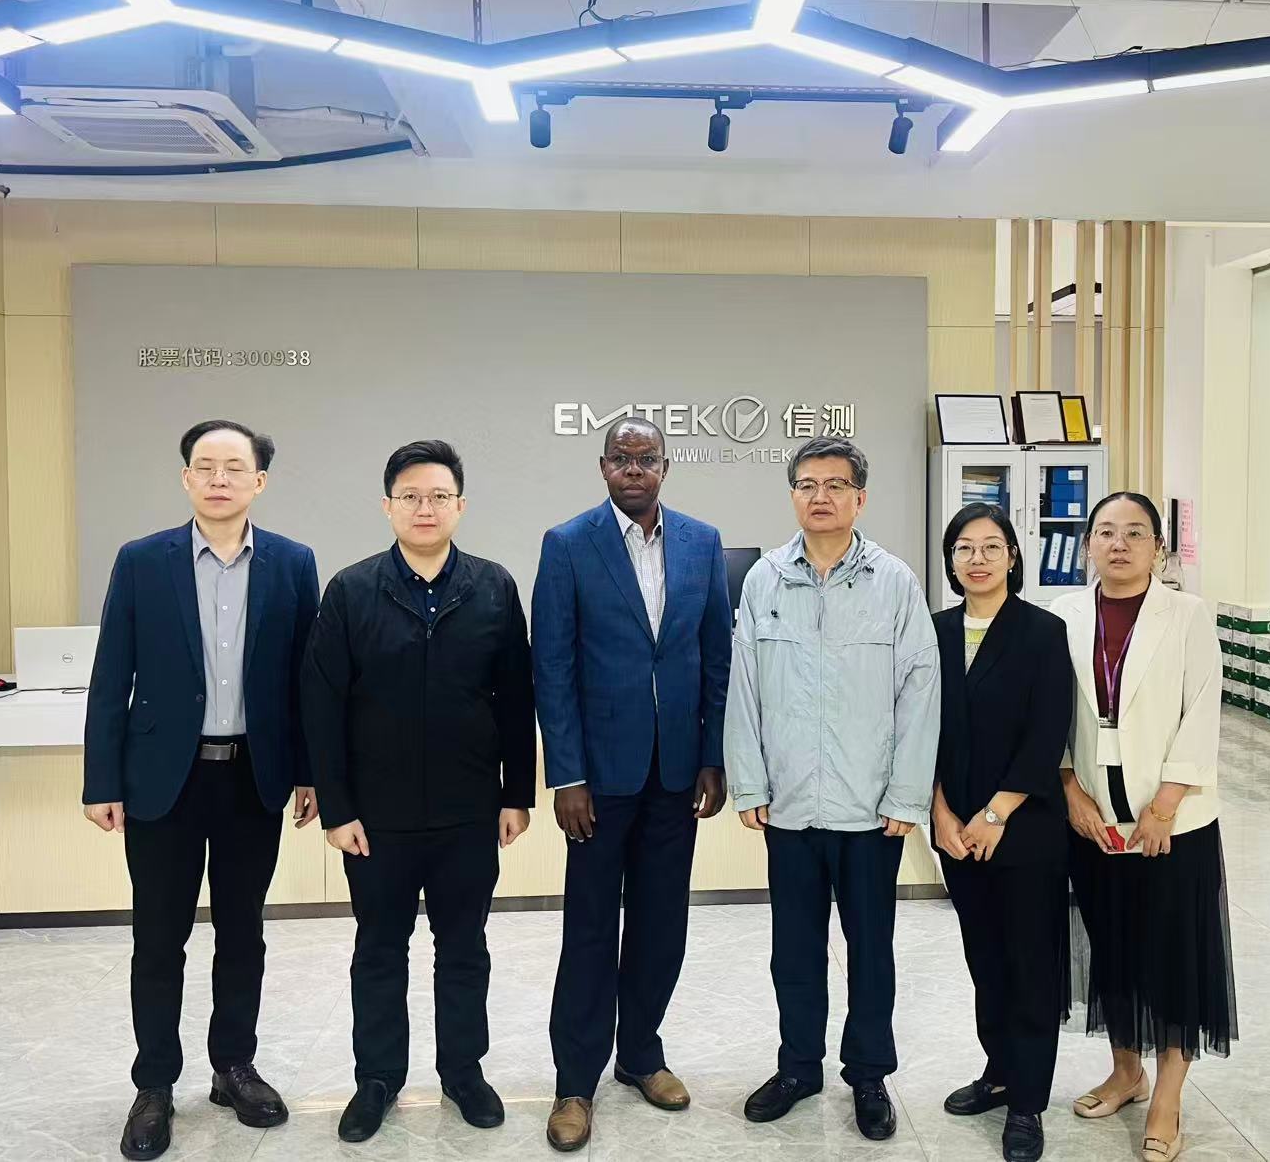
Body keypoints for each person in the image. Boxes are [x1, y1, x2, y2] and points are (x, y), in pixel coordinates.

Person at [82, 419, 321, 1162]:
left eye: (234, 467)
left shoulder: (293, 563)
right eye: (205, 466)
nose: (219, 479)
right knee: (159, 937)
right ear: (186, 478)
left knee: (242, 931)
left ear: (259, 481)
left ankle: (233, 1067)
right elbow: (111, 674)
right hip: (164, 779)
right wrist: (101, 779)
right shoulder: (141, 561)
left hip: (254, 775)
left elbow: (305, 678)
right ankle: (154, 1083)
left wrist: (309, 770)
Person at [301, 440, 535, 1144]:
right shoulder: (351, 590)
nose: (424, 508)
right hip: (377, 817)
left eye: (438, 496)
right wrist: (337, 807)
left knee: (464, 948)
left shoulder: (493, 586)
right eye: (410, 496)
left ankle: (464, 1072)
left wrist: (516, 794)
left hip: (468, 811)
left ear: (460, 506)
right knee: (379, 950)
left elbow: (516, 697)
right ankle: (377, 1078)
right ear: (387, 507)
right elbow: (322, 704)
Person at [724, 436, 941, 1142]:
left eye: (836, 485)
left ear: (859, 498)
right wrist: (750, 781)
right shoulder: (763, 580)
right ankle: (797, 1068)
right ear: (793, 495)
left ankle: (869, 1075)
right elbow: (743, 689)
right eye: (808, 485)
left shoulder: (894, 582)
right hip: (790, 806)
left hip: (869, 810)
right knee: (793, 951)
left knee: (871, 951)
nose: (821, 496)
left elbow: (921, 691)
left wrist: (906, 796)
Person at [531, 417, 733, 1152]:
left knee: (660, 922)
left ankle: (641, 1054)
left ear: (665, 467)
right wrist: (568, 774)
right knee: (589, 928)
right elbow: (552, 665)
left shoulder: (702, 542)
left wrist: (712, 755)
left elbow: (717, 654)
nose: (635, 469)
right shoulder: (567, 544)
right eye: (622, 457)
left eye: (647, 458)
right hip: (599, 779)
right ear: (603, 467)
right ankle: (574, 1082)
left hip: (675, 774)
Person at [1055, 492, 1236, 1162]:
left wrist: (1164, 806)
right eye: (1105, 532)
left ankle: (1167, 1097)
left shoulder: (1187, 616)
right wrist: (1069, 788)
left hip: (1173, 821)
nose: (1119, 543)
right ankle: (1126, 1071)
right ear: (1088, 546)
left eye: (1135, 532)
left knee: (1174, 956)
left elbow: (1202, 711)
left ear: (1158, 548)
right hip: (1094, 818)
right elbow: (1052, 713)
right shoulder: (1064, 615)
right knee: (1113, 946)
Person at [930, 504, 1073, 1162]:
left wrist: (995, 813)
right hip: (955, 831)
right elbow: (917, 730)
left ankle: (1028, 1101)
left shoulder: (1042, 631)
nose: (978, 559)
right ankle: (998, 1072)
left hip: (1024, 828)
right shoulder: (933, 631)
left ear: (1013, 556)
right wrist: (940, 813)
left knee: (1029, 963)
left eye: (992, 546)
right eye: (965, 547)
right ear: (951, 560)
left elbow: (1048, 732)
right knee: (985, 958)